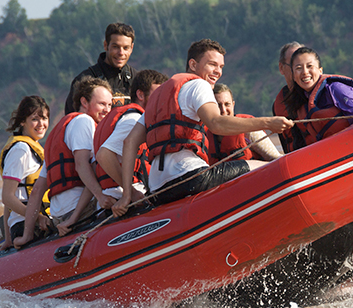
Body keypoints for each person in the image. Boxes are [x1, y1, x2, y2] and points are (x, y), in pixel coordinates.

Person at [111, 39, 293, 216]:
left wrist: (127, 194)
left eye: (221, 67)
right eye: (212, 64)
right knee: (269, 165)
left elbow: (129, 142)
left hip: (158, 190)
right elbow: (216, 123)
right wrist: (268, 123)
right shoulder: (199, 85)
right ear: (193, 64)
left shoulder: (157, 99)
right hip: (191, 177)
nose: (218, 71)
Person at [15, 76, 115, 245]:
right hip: (82, 212)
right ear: (84, 102)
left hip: (59, 216)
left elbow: (38, 190)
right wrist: (99, 196)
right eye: (102, 104)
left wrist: (27, 235)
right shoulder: (84, 122)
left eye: (110, 105)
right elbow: (83, 166)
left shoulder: (58, 133)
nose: (107, 110)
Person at [93, 69, 169, 202]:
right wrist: (131, 192)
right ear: (140, 94)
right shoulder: (133, 120)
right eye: (157, 94)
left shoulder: (122, 117)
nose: (161, 99)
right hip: (128, 197)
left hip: (113, 195)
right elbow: (103, 155)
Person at [282, 47, 353, 152]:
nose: (304, 72)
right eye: (299, 68)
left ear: (320, 70)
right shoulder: (300, 104)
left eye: (309, 66)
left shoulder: (336, 89)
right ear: (294, 76)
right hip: (329, 155)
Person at [0, 96, 51, 251]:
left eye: (45, 118)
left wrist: (7, 240)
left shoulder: (32, 148)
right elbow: (7, 197)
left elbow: (12, 199)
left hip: (32, 222)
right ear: (22, 121)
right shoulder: (21, 149)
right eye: (35, 119)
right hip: (28, 226)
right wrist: (38, 217)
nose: (41, 124)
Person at [64, 23, 137, 114]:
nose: (121, 53)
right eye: (116, 47)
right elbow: (72, 120)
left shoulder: (136, 79)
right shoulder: (84, 81)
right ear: (106, 45)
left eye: (126, 48)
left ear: (132, 48)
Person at [207, 83, 281, 164]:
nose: (223, 110)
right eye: (218, 105)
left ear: (233, 105)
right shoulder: (204, 137)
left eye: (227, 104)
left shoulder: (249, 130)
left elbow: (277, 160)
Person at [273, 41, 304, 153]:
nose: (300, 69)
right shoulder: (279, 105)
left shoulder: (325, 93)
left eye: (303, 63)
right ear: (282, 68)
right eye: (293, 63)